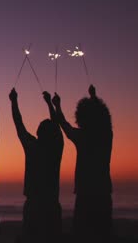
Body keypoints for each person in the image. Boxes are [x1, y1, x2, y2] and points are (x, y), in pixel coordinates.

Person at [52, 85, 113, 243]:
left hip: (85, 193)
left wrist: (57, 105)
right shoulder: (107, 135)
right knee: (103, 234)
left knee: (82, 234)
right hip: (103, 192)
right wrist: (93, 97)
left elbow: (63, 124)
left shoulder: (82, 136)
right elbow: (104, 119)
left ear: (81, 117)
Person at [9, 89, 63, 243]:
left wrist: (14, 101)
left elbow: (19, 124)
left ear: (38, 132)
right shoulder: (56, 147)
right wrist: (50, 104)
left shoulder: (32, 146)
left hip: (33, 205)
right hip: (52, 204)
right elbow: (57, 126)